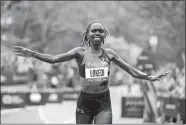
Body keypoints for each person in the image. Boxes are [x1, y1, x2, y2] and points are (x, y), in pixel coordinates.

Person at [12, 21, 169, 124]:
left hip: (103, 102)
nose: (97, 33)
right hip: (85, 101)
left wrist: (148, 77)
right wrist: (33, 54)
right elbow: (54, 59)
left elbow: (131, 71)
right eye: (94, 30)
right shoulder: (79, 52)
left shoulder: (110, 54)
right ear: (88, 34)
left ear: (104, 35)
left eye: (101, 31)